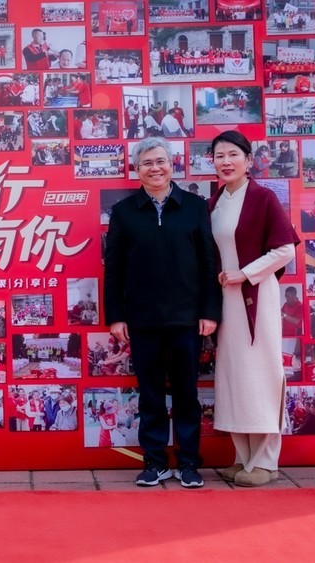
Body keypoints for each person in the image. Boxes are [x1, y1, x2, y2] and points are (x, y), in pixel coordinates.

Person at [103, 136, 222, 488]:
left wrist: (209, 311)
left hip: (187, 319)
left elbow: (208, 262)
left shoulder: (195, 207)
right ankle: (155, 462)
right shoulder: (124, 212)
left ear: (172, 165)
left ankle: (188, 463)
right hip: (142, 319)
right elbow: (113, 268)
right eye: (147, 163)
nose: (155, 168)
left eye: (160, 161)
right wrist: (116, 316)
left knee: (186, 393)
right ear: (136, 169)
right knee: (150, 394)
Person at [208, 130, 300, 487]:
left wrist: (244, 273)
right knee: (234, 376)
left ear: (248, 160)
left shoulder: (263, 197)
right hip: (226, 302)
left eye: (233, 154)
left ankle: (266, 461)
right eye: (219, 156)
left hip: (256, 298)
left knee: (260, 373)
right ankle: (243, 458)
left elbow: (285, 249)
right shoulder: (214, 203)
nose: (226, 162)